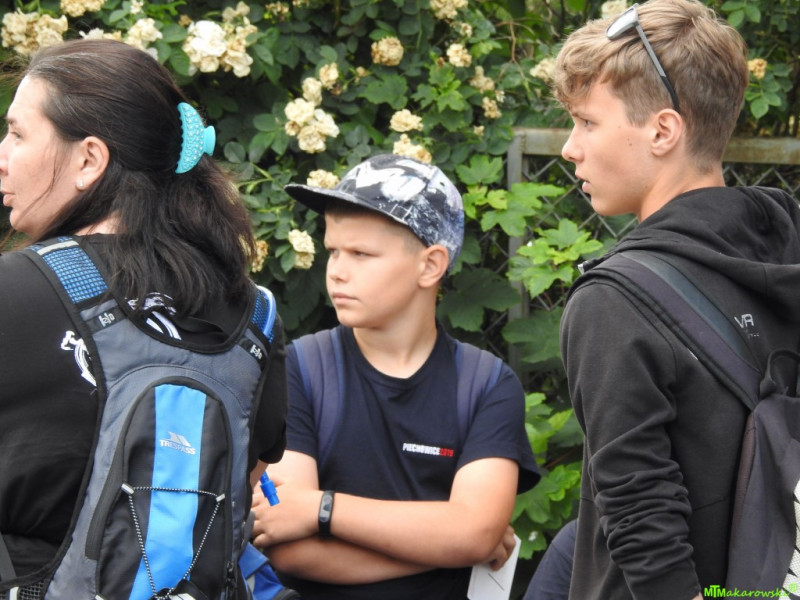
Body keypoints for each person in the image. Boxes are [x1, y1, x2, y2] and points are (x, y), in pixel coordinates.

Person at [0, 38, 287, 595]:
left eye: (17, 133)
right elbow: (245, 483)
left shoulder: (14, 293)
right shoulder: (256, 317)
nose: (3, 155)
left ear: (89, 160)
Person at [553, 0, 800, 598]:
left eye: (587, 122)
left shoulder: (615, 303)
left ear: (662, 131)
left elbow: (642, 523)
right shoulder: (784, 245)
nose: (569, 148)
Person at [249, 153, 540, 599]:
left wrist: (323, 509)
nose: (337, 271)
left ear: (431, 265)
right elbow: (287, 546)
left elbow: (476, 533)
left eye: (361, 254)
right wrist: (450, 544)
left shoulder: (486, 384)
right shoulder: (303, 369)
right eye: (333, 251)